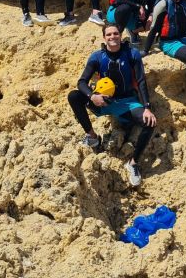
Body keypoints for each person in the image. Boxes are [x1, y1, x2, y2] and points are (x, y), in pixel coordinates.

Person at [67, 23, 157, 187]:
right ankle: (92, 137)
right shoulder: (97, 57)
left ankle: (133, 163)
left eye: (115, 33)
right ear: (104, 38)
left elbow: (142, 81)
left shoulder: (132, 54)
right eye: (108, 35)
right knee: (74, 96)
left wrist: (147, 108)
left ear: (121, 35)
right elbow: (81, 82)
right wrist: (92, 96)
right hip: (104, 101)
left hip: (127, 102)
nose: (112, 37)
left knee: (150, 123)